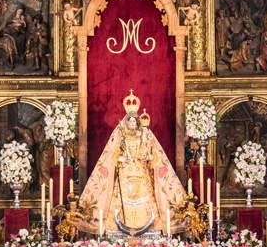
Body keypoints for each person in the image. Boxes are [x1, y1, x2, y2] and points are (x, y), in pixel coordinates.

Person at [78, 90, 186, 234]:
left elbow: (153, 154)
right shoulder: (120, 135)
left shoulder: (145, 135)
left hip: (141, 170)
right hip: (125, 171)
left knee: (144, 195)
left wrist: (146, 156)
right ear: (126, 122)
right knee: (124, 195)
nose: (132, 123)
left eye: (135, 121)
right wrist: (121, 158)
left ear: (138, 122)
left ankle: (148, 224)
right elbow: (112, 154)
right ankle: (121, 223)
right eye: (130, 121)